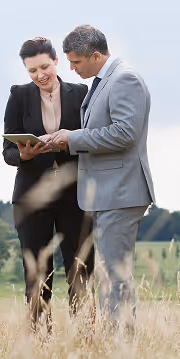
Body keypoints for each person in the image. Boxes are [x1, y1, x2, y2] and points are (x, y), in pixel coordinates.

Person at [47, 25, 155, 331]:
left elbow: (125, 132)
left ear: (96, 55)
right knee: (110, 273)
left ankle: (121, 349)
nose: (70, 68)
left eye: (76, 62)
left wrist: (73, 139)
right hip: (109, 192)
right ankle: (116, 345)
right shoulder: (106, 79)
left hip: (121, 192)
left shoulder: (124, 79)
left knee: (115, 275)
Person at [3, 37, 94, 327]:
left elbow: (93, 139)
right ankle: (41, 340)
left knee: (80, 269)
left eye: (44, 67)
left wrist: (72, 142)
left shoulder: (81, 92)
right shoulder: (18, 96)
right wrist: (24, 155)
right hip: (32, 195)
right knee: (37, 274)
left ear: (56, 62)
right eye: (32, 71)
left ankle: (85, 337)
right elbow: (7, 152)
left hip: (75, 193)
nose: (39, 75)